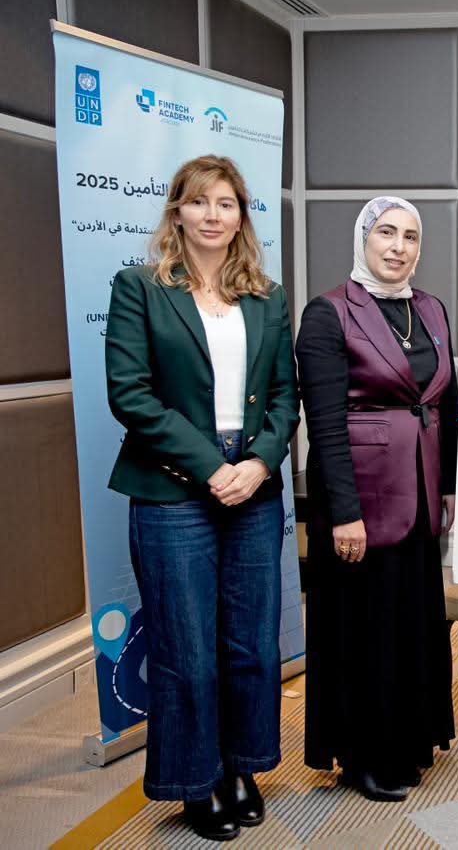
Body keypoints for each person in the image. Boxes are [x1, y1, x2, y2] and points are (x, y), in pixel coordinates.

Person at [105, 155, 299, 841]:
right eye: (199, 202)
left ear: (242, 216)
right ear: (177, 213)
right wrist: (210, 466)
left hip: (254, 484)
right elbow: (130, 394)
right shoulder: (140, 288)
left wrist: (260, 461)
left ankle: (242, 766)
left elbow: (285, 395)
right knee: (187, 648)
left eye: (226, 203)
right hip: (172, 485)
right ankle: (196, 779)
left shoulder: (269, 297)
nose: (212, 215)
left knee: (252, 643)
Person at [297, 197, 458, 802]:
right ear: (364, 239)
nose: (398, 246)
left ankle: (409, 741)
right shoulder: (329, 313)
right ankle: (363, 756)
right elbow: (324, 424)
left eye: (410, 236)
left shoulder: (431, 309)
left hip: (419, 494)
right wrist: (343, 513)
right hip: (360, 499)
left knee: (411, 620)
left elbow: (447, 402)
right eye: (386, 232)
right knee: (362, 628)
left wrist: (448, 483)